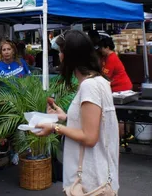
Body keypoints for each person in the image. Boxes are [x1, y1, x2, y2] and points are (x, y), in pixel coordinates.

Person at [36, 30, 119, 194]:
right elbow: (93, 123)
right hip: (99, 175)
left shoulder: (89, 86)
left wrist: (54, 127)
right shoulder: (99, 81)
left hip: (90, 181)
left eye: (61, 52)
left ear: (70, 56)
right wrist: (64, 117)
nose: (59, 56)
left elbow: (89, 137)